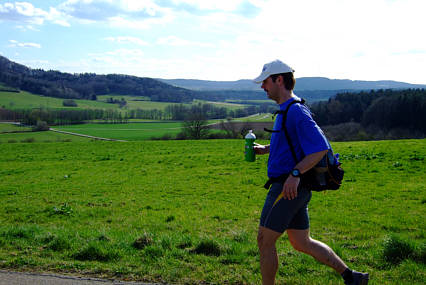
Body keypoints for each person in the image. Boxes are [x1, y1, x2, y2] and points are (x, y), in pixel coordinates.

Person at [253, 60, 369, 285]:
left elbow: (319, 146)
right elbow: (293, 145)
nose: (262, 87)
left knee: (264, 240)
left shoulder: (295, 111)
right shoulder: (285, 111)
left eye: (265, 82)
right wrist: (266, 149)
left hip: (287, 187)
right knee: (301, 241)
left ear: (279, 80)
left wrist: (294, 175)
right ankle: (351, 276)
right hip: (294, 187)